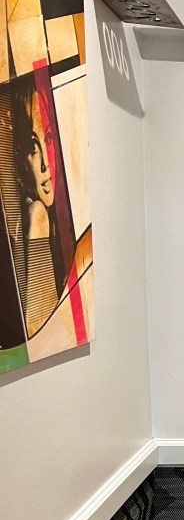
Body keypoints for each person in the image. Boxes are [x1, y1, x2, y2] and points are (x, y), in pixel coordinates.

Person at [11, 77, 68, 337]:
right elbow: (41, 332)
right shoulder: (35, 216)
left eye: (47, 139)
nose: (45, 164)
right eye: (33, 149)